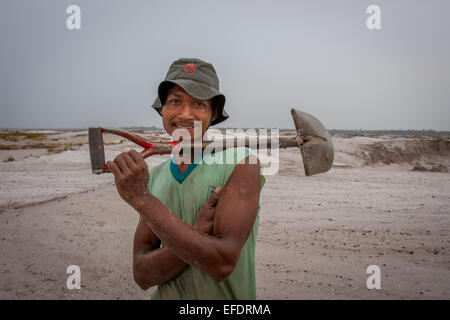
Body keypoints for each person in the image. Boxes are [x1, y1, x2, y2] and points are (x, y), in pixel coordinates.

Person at [106, 58, 265, 299]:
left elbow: (221, 263)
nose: (185, 113)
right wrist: (197, 233)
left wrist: (142, 200)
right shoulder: (155, 176)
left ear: (213, 113)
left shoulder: (241, 163)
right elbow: (142, 275)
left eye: (199, 103)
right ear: (163, 109)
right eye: (175, 101)